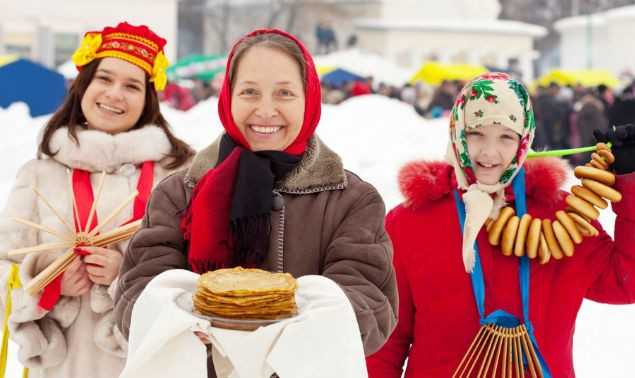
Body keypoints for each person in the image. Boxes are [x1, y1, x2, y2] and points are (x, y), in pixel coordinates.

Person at [114, 28, 398, 377]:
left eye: (284, 93)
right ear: (228, 97)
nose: (266, 110)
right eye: (249, 92)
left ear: (308, 99)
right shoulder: (179, 193)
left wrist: (287, 326)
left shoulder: (351, 200)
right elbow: (135, 296)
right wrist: (183, 320)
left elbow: (372, 305)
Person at [366, 73, 635, 377]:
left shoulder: (560, 216)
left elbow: (625, 281)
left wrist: (631, 180)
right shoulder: (410, 223)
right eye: (476, 134)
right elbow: (384, 343)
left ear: (525, 140)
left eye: (506, 136)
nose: (489, 153)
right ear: (455, 132)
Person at [0, 22, 193, 378]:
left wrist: (126, 275)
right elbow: (4, 271)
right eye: (104, 79)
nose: (115, 94)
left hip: (150, 364)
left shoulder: (178, 179)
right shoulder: (38, 176)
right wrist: (48, 285)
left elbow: (199, 276)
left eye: (132, 85)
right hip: (64, 366)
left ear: (148, 99)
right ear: (83, 86)